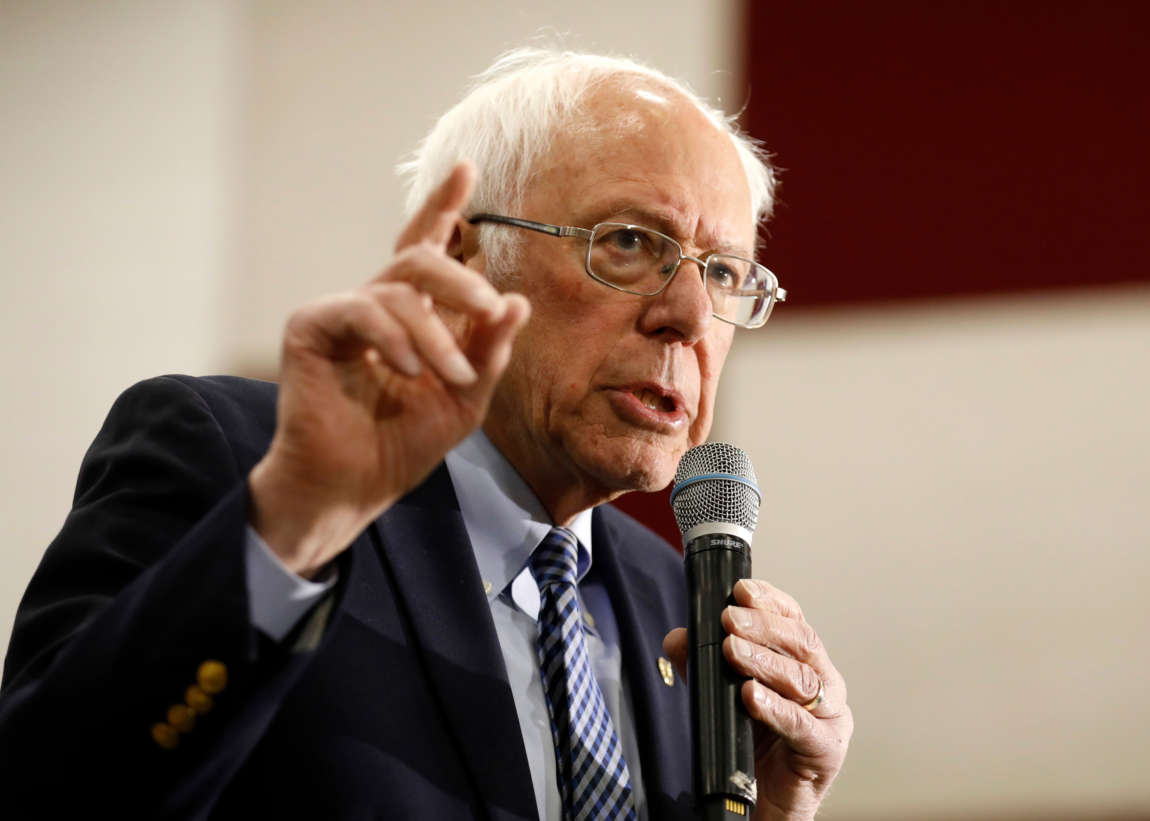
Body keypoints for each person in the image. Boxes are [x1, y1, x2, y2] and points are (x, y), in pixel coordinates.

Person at [0, 49, 851, 819]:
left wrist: (773, 813)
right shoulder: (245, 466)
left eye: (725, 273)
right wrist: (294, 521)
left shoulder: (679, 608)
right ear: (464, 259)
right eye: (629, 242)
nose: (689, 316)